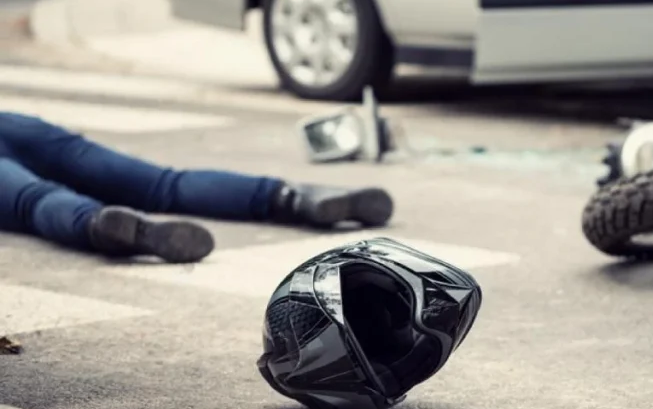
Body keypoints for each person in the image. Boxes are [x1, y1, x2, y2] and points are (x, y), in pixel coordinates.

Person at [0, 112, 394, 264]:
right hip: (14, 124)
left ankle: (106, 226)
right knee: (164, 182)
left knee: (35, 200)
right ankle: (296, 198)